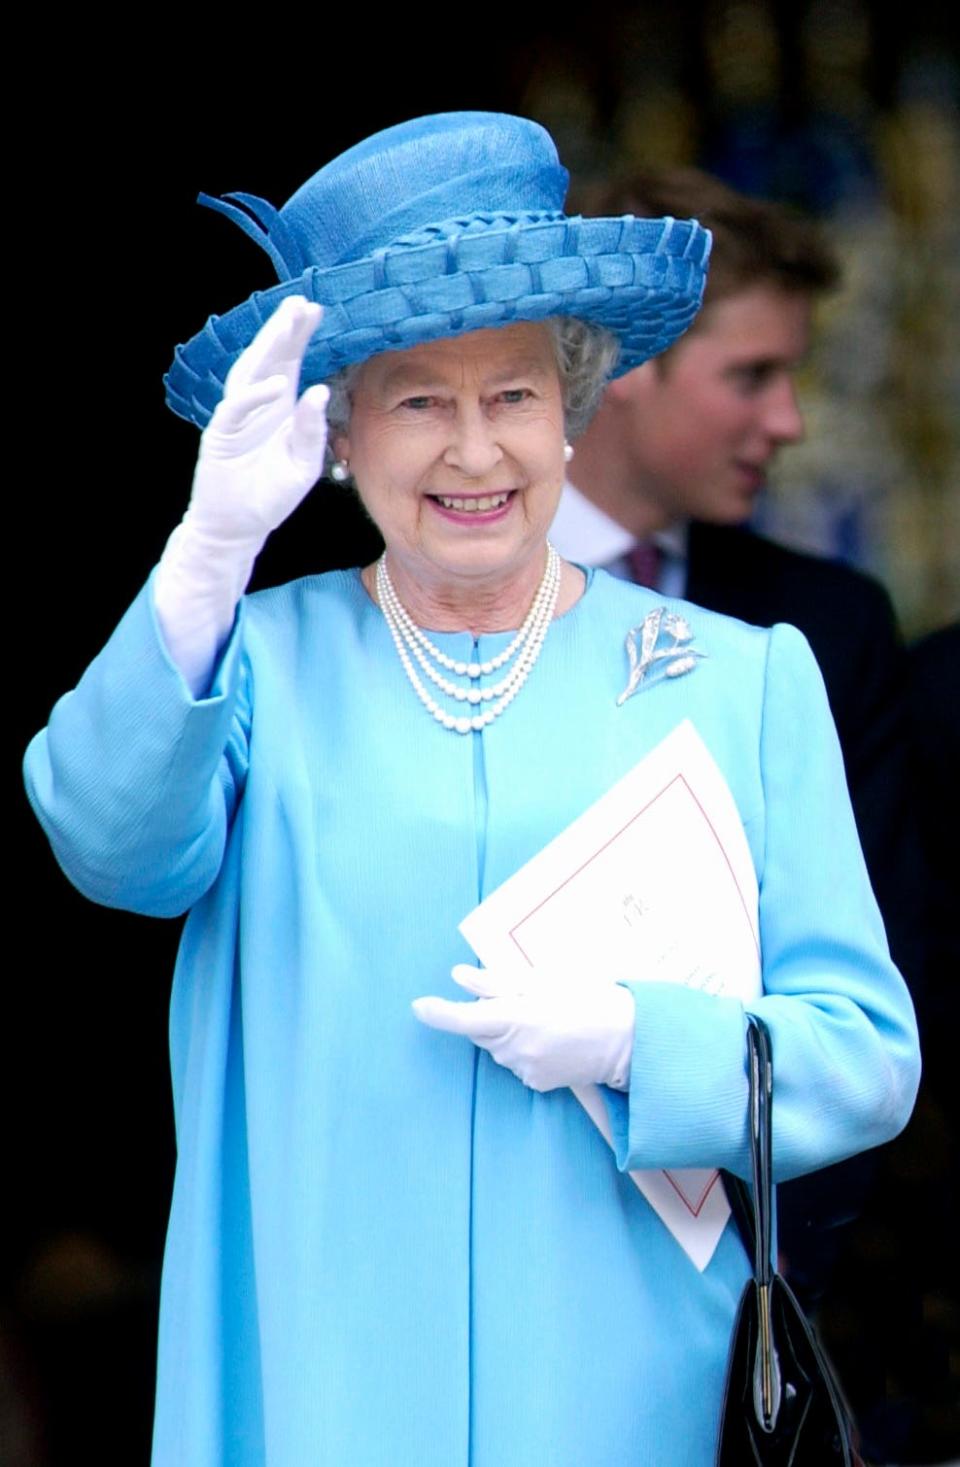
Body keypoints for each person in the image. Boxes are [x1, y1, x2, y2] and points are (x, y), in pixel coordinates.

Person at [23, 113, 919, 1466]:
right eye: (418, 400)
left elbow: (866, 1054)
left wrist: (638, 1038)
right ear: (337, 433)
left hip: (627, 1382)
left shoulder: (741, 680)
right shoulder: (252, 656)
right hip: (314, 1366)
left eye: (513, 396)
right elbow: (107, 843)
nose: (474, 451)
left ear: (573, 410)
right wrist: (207, 553)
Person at [550, 168, 924, 1304]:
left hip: (746, 1266)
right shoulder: (379, 594)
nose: (790, 421)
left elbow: (883, 977)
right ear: (625, 359)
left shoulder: (831, 625)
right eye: (752, 375)